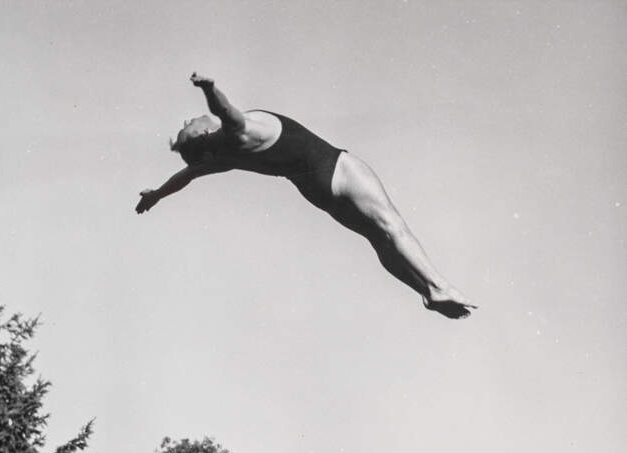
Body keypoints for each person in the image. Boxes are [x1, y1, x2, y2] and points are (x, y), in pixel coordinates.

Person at [136, 74, 476, 321]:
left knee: (378, 240)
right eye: (187, 126)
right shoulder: (238, 133)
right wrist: (210, 89)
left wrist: (156, 195)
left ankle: (426, 292)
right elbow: (226, 112)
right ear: (201, 135)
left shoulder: (223, 156)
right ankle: (438, 285)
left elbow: (185, 176)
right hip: (337, 169)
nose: (186, 118)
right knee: (392, 226)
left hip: (316, 191)